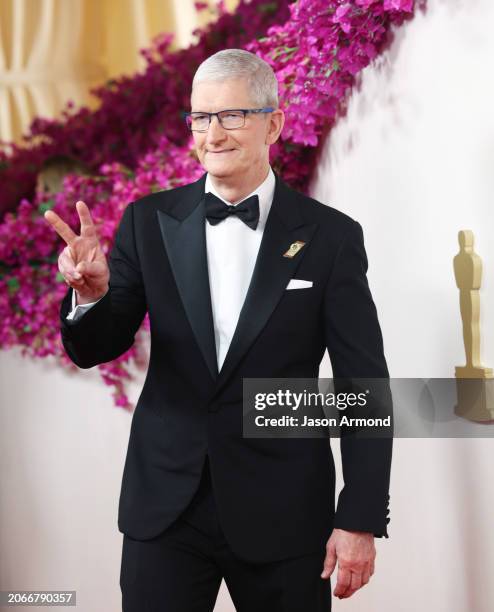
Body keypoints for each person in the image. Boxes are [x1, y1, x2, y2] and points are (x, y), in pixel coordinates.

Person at [44, 48, 392, 612]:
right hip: (166, 508)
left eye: (233, 116)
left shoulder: (330, 238)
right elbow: (97, 347)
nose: (214, 133)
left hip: (285, 511)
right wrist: (90, 296)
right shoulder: (147, 221)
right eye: (201, 117)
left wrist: (360, 518)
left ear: (274, 124)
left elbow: (364, 384)